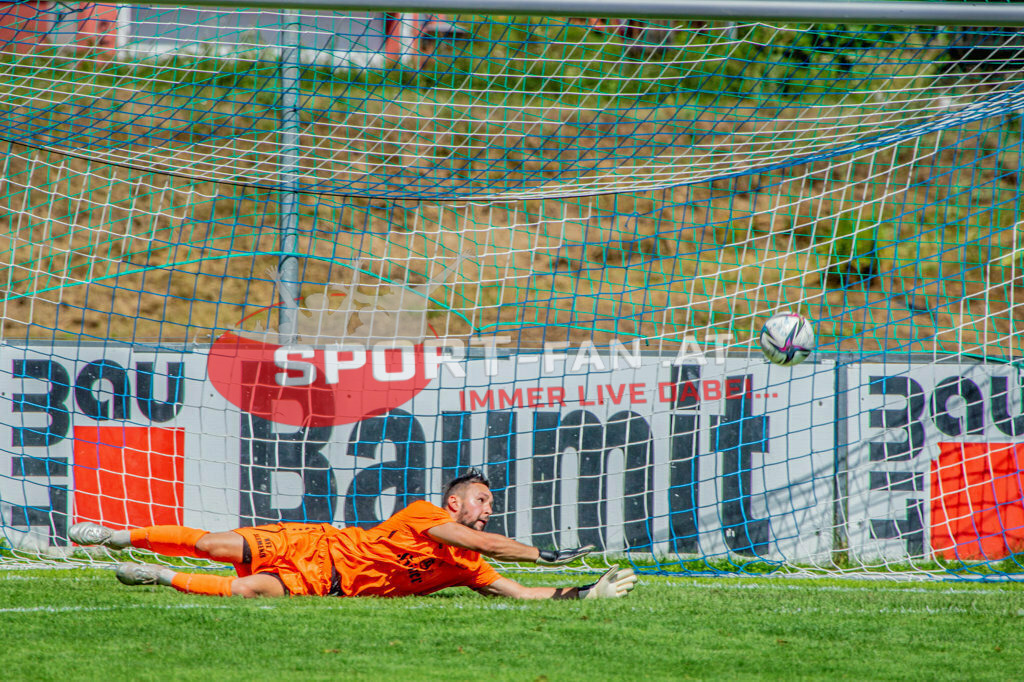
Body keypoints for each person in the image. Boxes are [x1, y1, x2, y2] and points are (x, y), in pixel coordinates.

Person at [69, 469, 638, 600]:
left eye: (491, 505)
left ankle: (158, 575)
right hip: (316, 543)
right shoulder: (423, 516)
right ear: (455, 503)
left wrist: (583, 594)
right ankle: (121, 535)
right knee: (214, 545)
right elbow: (482, 544)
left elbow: (516, 592)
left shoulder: (464, 570)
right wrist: (547, 554)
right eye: (483, 502)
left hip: (327, 585)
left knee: (249, 593)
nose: (488, 511)